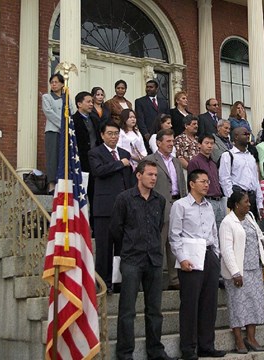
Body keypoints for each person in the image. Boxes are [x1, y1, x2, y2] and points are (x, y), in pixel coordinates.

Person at [109, 160, 175, 360]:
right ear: (139, 175)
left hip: (154, 259)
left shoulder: (159, 200)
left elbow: (157, 227)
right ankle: (125, 353)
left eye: (156, 175)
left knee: (154, 310)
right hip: (132, 259)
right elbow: (116, 229)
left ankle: (155, 350)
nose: (154, 178)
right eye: (150, 174)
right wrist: (129, 247)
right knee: (127, 310)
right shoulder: (124, 199)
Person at [169, 169, 226, 359]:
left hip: (209, 254)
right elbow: (174, 235)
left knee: (209, 304)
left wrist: (216, 254)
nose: (206, 184)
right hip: (190, 256)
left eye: (208, 181)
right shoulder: (180, 205)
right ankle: (188, 348)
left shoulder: (209, 206)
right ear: (192, 184)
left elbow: (213, 232)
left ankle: (206, 345)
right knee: (190, 304)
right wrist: (182, 258)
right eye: (202, 181)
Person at [220, 191, 264, 354]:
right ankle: (238, 340)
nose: (249, 205)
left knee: (254, 304)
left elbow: (260, 237)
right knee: (237, 305)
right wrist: (235, 272)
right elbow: (226, 249)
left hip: (254, 268)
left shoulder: (249, 217)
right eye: (245, 202)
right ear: (236, 204)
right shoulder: (227, 222)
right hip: (238, 271)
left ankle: (251, 338)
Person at [88, 121, 134, 292]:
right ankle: (103, 283)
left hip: (123, 208)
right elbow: (98, 171)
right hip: (104, 208)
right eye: (110, 133)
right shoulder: (95, 153)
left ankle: (119, 282)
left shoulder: (125, 153)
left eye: (116, 133)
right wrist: (119, 164)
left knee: (122, 248)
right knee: (104, 249)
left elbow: (128, 179)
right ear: (102, 135)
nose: (113, 137)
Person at [143, 128, 187, 290]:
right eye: (168, 141)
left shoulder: (176, 161)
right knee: (158, 243)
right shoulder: (150, 160)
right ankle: (154, 279)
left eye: (172, 141)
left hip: (177, 204)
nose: (171, 144)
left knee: (175, 242)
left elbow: (181, 183)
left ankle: (174, 279)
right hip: (158, 206)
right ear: (158, 143)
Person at [219, 127, 264, 220]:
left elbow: (256, 180)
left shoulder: (250, 157)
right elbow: (224, 179)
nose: (248, 136)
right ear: (236, 137)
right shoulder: (228, 156)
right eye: (245, 134)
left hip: (251, 198)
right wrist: (232, 200)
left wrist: (259, 203)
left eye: (248, 134)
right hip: (238, 198)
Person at [42, 73, 75, 193]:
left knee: (64, 157)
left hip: (66, 132)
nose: (54, 84)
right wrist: (63, 125)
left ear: (62, 84)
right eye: (52, 82)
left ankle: (62, 183)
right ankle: (51, 184)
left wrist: (69, 126)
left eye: (56, 82)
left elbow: (71, 111)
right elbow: (48, 112)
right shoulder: (47, 97)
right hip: (53, 131)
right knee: (52, 157)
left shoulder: (66, 98)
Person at [187, 135, 226, 228]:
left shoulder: (213, 163)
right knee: (207, 229)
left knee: (220, 231)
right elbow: (192, 185)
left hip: (219, 201)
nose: (209, 146)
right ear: (199, 145)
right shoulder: (194, 162)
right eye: (206, 143)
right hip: (206, 200)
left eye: (212, 143)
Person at [71, 91, 100, 173]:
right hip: (80, 159)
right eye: (88, 102)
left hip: (95, 158)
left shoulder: (95, 119)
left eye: (92, 102)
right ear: (79, 104)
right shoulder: (72, 120)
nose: (91, 104)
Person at [135, 79, 170, 144]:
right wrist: (145, 133)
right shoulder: (140, 102)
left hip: (162, 134)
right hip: (148, 136)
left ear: (156, 89)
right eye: (147, 87)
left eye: (151, 87)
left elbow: (167, 118)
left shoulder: (164, 102)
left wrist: (167, 132)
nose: (148, 89)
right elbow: (140, 119)